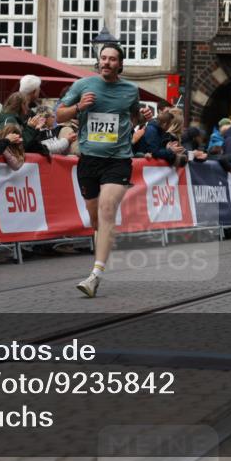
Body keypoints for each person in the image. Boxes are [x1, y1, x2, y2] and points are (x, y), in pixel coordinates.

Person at [56, 43, 153, 298]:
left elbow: (134, 119)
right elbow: (58, 116)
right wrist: (79, 107)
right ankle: (103, 242)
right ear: (98, 62)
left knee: (108, 209)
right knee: (96, 219)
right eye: (104, 58)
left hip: (118, 159)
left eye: (112, 59)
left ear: (120, 64)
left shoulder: (130, 90)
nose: (107, 62)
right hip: (89, 160)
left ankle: (95, 275)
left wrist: (144, 115)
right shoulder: (82, 86)